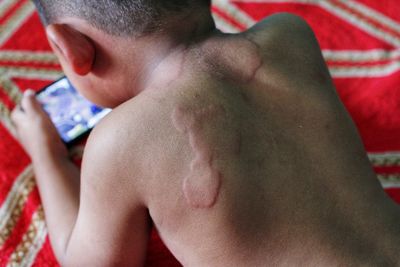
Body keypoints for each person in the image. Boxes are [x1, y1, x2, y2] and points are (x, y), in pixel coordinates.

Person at [11, 0, 400, 266]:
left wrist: (48, 155)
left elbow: (86, 261)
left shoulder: (119, 143)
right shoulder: (291, 34)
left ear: (69, 46)